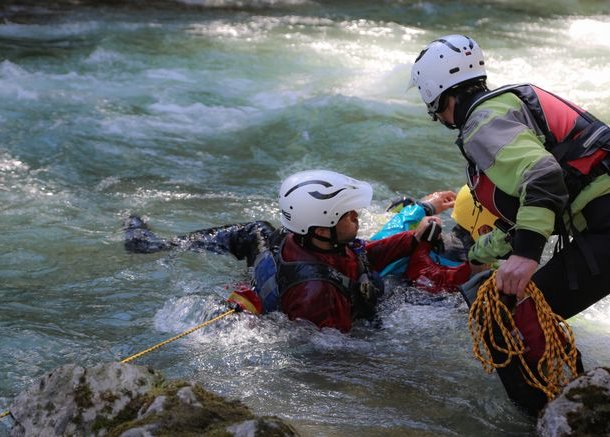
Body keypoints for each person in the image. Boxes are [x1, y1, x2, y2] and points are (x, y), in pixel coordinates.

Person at [408, 34, 610, 414]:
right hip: (600, 223)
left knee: (497, 314)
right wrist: (484, 250)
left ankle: (557, 415)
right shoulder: (506, 105)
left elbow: (544, 176)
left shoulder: (481, 124)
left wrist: (525, 256)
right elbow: (550, 199)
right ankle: (575, 403)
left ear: (436, 95)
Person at [124, 170, 475, 332]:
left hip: (284, 275)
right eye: (349, 214)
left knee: (255, 231)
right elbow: (335, 352)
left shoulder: (306, 240)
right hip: (299, 303)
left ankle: (157, 246)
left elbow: (362, 252)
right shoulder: (318, 295)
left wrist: (413, 238)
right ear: (322, 229)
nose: (358, 216)